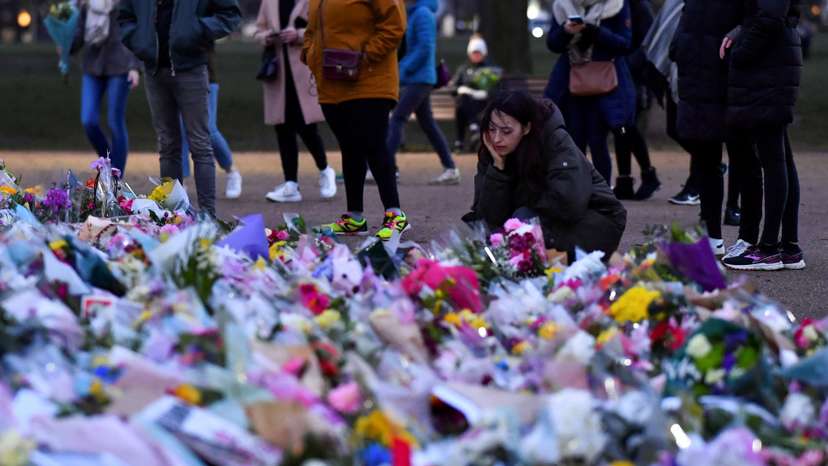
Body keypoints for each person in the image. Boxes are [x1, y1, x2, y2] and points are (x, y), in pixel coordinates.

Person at [469, 91, 627, 261]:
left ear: (527, 128)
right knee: (497, 241)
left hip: (595, 220)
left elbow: (569, 204)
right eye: (492, 129)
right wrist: (498, 170)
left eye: (506, 131)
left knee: (518, 233)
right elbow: (487, 218)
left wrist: (518, 209)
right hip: (544, 218)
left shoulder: (555, 140)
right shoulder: (492, 151)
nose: (497, 139)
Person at [118, 0, 241, 215]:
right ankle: (172, 214)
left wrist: (198, 30)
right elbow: (124, 17)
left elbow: (229, 14)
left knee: (200, 144)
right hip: (154, 70)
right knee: (167, 145)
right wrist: (140, 42)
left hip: (191, 68)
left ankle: (207, 217)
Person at [302, 0, 408, 241]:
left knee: (374, 144)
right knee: (349, 147)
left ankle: (395, 214)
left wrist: (364, 57)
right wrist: (310, 54)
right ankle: (354, 216)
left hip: (370, 81)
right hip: (331, 81)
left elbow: (394, 26)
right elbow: (312, 30)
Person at [670, 0, 761, 257]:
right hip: (704, 78)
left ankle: (743, 237)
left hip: (727, 79)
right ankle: (717, 237)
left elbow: (760, 20)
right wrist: (679, 49)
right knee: (711, 161)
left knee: (740, 161)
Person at [722, 0, 804, 271]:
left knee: (774, 160)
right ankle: (789, 247)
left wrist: (742, 52)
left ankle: (769, 248)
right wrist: (739, 32)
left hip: (768, 69)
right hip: (774, 65)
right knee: (781, 158)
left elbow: (769, 16)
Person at [545, 0, 637, 186]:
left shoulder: (616, 5)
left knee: (597, 141)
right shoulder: (563, 5)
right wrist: (566, 31)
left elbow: (625, 44)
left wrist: (594, 32)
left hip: (604, 85)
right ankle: (576, 190)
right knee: (574, 141)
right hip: (572, 84)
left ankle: (601, 191)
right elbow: (553, 43)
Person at [255, 0, 336, 204]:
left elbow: (324, 31)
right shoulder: (269, 2)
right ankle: (290, 184)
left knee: (306, 126)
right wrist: (267, 37)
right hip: (278, 74)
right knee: (282, 128)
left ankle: (325, 170)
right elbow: (258, 31)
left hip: (302, 71)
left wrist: (298, 34)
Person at [386, 0, 459, 185]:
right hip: (418, 77)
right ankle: (450, 168)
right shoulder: (415, 13)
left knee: (397, 118)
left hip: (420, 78)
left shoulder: (422, 14)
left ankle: (386, 168)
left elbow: (425, 48)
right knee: (428, 123)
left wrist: (402, 69)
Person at [70, 0, 141, 176]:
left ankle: (117, 175)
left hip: (120, 65)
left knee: (114, 121)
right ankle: (107, 162)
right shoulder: (86, 4)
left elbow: (135, 31)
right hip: (93, 66)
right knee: (88, 120)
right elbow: (79, 33)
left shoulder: (125, 3)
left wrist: (134, 66)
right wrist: (65, 45)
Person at [612, 0, 662, 201]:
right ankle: (625, 179)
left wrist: (627, 65)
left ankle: (648, 174)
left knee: (627, 127)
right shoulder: (616, 5)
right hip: (617, 75)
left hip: (634, 78)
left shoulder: (638, 7)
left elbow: (649, 42)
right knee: (621, 128)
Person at [179, 46, 242, 199]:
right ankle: (181, 184)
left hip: (205, 76)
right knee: (181, 129)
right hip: (176, 77)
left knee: (208, 129)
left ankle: (231, 171)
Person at [450, 35, 500, 153]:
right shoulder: (463, 68)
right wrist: (461, 89)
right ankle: (472, 130)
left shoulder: (490, 69)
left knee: (463, 104)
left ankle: (468, 135)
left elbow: (498, 88)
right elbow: (453, 88)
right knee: (463, 100)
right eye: (474, 53)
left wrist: (486, 93)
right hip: (466, 104)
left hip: (484, 105)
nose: (476, 55)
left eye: (479, 53)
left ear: (484, 53)